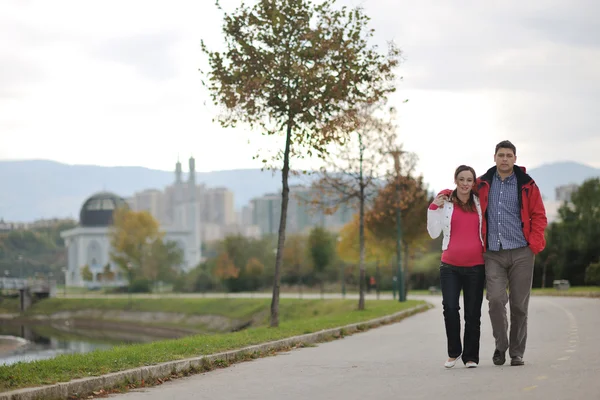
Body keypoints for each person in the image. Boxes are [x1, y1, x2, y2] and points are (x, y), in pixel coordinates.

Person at [477, 140, 547, 366]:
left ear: (515, 159)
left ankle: (516, 353)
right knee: (496, 300)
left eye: (509, 155)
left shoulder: (527, 184)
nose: (505, 159)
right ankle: (501, 345)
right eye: (501, 155)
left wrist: (533, 245)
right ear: (494, 158)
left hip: (521, 252)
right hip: (493, 253)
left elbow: (539, 216)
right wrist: (445, 194)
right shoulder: (483, 183)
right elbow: (462, 191)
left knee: (519, 305)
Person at [427, 165, 485, 369]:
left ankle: (471, 357)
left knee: (472, 313)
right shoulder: (445, 203)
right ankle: (453, 353)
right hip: (449, 266)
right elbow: (433, 233)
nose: (465, 183)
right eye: (462, 179)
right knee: (450, 309)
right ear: (455, 180)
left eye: (469, 180)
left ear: (473, 183)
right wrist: (433, 208)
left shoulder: (479, 203)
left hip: (476, 266)